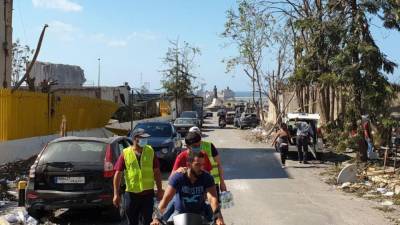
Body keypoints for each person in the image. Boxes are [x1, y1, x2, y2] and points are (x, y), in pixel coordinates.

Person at [151, 151, 226, 225]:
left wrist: (218, 218)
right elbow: (165, 200)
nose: (201, 168)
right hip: (179, 213)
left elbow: (213, 199)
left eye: (203, 165)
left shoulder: (207, 178)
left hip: (200, 213)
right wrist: (156, 218)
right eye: (197, 165)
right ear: (189, 165)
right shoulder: (178, 177)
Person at [113, 128, 164, 225]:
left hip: (147, 196)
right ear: (135, 138)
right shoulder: (125, 153)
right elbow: (118, 174)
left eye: (145, 138)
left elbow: (157, 172)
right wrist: (116, 194)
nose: (145, 140)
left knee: (148, 222)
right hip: (131, 196)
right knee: (132, 222)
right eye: (142, 138)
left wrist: (160, 190)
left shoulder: (150, 151)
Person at [189, 126, 228, 194]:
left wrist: (222, 182)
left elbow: (218, 164)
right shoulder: (188, 149)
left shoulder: (209, 146)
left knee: (214, 203)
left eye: (197, 136)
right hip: (194, 185)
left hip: (212, 183)